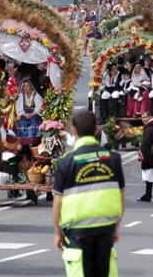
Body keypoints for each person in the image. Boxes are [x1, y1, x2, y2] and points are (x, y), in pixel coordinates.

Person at [53, 110, 125, 277]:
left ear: (74, 131)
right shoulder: (113, 159)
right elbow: (121, 195)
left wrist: (58, 233)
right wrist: (116, 226)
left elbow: (58, 201)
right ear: (96, 130)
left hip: (77, 231)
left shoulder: (65, 162)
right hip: (105, 229)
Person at [14, 79, 43, 146]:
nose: (25, 88)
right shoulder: (21, 96)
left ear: (31, 87)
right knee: (22, 122)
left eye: (27, 86)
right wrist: (25, 114)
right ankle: (23, 144)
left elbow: (39, 107)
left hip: (34, 114)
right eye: (24, 86)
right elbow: (19, 108)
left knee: (34, 121)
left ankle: (33, 143)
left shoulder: (36, 95)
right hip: (24, 114)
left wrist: (32, 114)